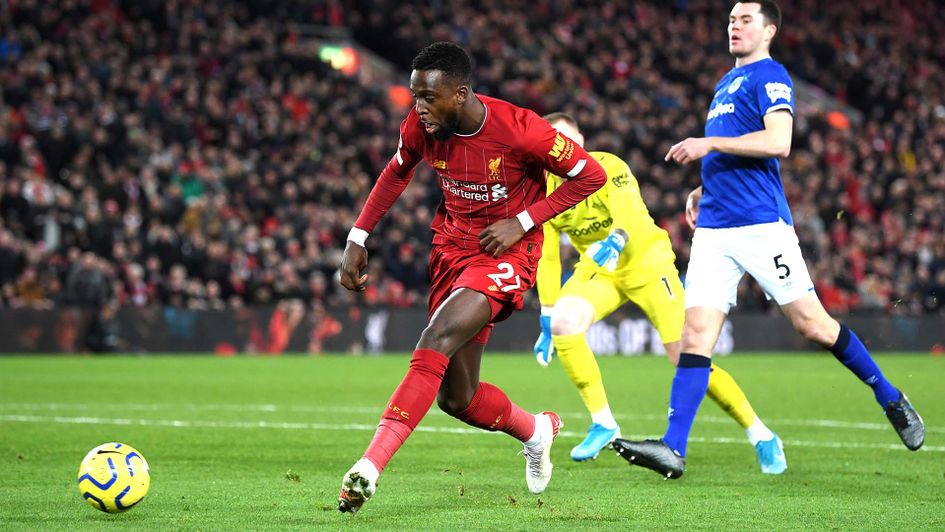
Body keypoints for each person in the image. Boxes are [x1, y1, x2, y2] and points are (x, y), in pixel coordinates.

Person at [612, 0, 925, 479]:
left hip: (760, 224)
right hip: (714, 227)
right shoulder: (724, 84)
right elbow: (737, 153)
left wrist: (708, 144)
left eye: (745, 20)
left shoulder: (770, 76)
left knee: (813, 326)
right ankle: (673, 447)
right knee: (695, 335)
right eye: (731, 20)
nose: (734, 26)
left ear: (769, 30)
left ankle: (890, 396)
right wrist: (704, 187)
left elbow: (779, 141)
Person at [336, 42, 607, 513]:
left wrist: (523, 221)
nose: (419, 108)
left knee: (436, 336)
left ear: (460, 94)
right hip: (451, 249)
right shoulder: (421, 126)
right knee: (457, 398)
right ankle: (536, 430)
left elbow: (591, 175)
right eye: (416, 97)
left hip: (508, 252)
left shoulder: (521, 129)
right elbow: (397, 172)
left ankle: (369, 466)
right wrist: (358, 236)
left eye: (429, 98)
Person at [534, 112, 784, 473]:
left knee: (685, 356)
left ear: (581, 141)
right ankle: (603, 423)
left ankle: (760, 434)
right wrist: (546, 313)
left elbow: (627, 213)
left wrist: (616, 239)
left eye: (568, 138)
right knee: (563, 323)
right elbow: (546, 254)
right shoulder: (543, 189)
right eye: (554, 141)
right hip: (601, 269)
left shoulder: (608, 166)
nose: (563, 147)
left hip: (646, 262)